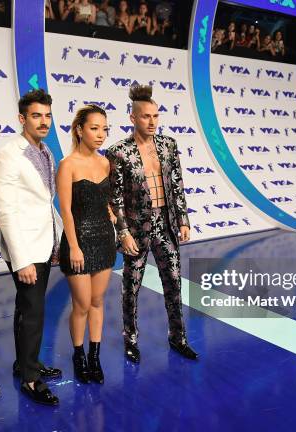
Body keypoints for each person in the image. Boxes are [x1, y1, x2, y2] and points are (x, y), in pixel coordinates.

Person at [105, 85, 198, 363]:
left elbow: (177, 186)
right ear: (133, 118)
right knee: (131, 287)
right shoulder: (118, 151)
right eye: (146, 116)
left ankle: (178, 337)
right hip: (135, 230)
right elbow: (115, 198)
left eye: (156, 116)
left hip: (166, 225)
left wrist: (183, 219)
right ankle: (131, 340)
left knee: (173, 282)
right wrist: (123, 233)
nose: (153, 121)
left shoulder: (169, 144)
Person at [0, 89, 62, 406]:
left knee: (28, 309)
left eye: (47, 115)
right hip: (25, 249)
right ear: (22, 119)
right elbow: (6, 212)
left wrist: (55, 241)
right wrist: (21, 261)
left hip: (43, 243)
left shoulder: (46, 152)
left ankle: (25, 364)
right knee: (33, 313)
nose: (43, 121)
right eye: (37, 115)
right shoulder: (8, 154)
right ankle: (31, 381)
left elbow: (44, 202)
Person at [57, 105, 116, 384]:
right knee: (80, 304)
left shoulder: (105, 163)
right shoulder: (67, 164)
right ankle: (78, 355)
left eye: (104, 129)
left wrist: (113, 216)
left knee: (97, 301)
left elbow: (106, 201)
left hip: (104, 239)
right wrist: (74, 246)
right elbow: (65, 210)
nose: (101, 134)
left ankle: (95, 356)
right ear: (80, 130)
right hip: (77, 242)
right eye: (94, 128)